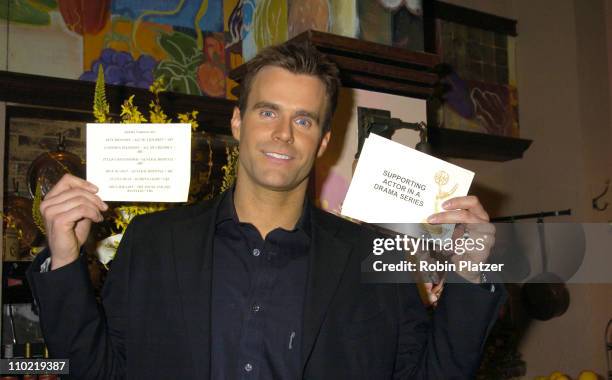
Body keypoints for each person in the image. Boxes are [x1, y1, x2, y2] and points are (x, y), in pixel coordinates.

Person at [27, 41, 505, 379]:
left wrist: (471, 274)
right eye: (267, 112)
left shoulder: (376, 253)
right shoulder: (154, 241)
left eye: (303, 119)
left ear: (322, 142)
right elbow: (97, 369)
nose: (283, 134)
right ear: (238, 122)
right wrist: (65, 258)